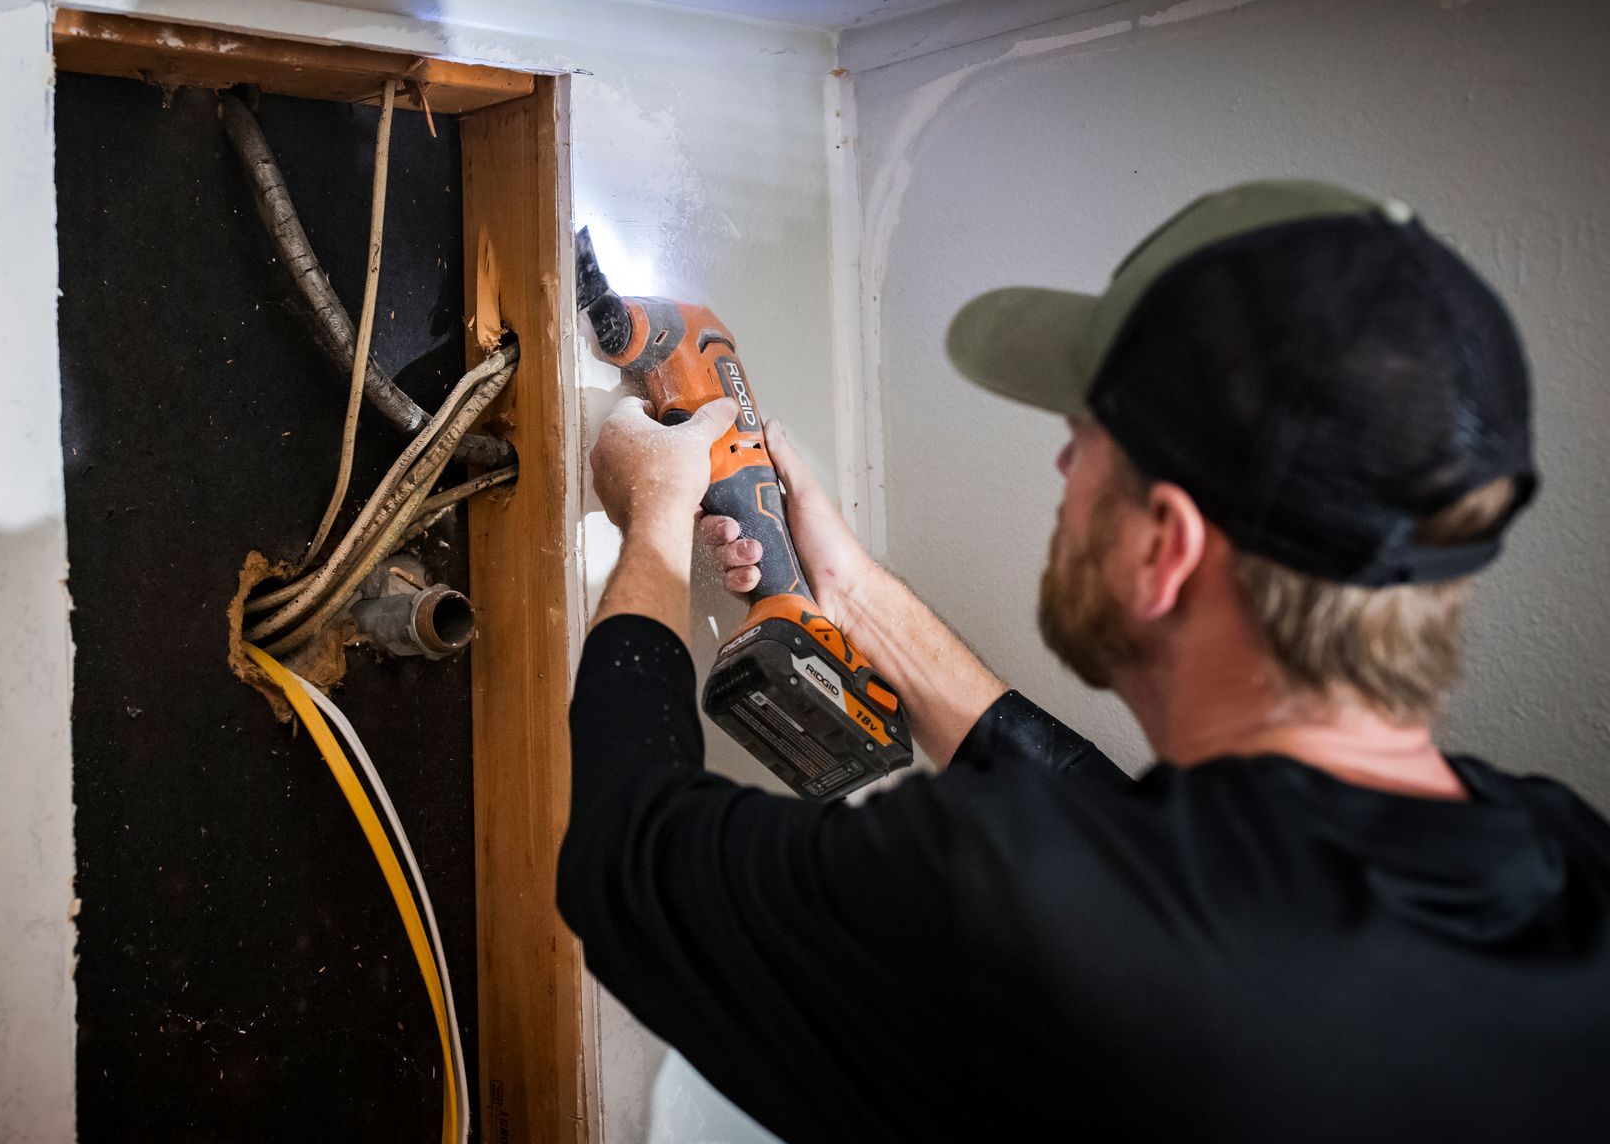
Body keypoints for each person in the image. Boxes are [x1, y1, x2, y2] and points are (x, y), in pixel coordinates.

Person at [555, 181, 1610, 1142]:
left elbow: (626, 860)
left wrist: (652, 519)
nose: (1064, 463)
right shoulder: (1566, 865)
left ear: (1166, 545)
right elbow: (1144, 867)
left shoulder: (1017, 903)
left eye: (1085, 433)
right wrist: (858, 596)